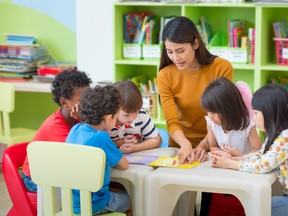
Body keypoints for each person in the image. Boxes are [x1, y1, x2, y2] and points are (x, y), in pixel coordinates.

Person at [157, 16, 233, 164]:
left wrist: (204, 144)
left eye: (180, 50)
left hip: (216, 145)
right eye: (170, 52)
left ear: (196, 44)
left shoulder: (222, 68)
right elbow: (172, 122)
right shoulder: (165, 75)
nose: (175, 57)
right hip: (180, 147)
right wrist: (184, 144)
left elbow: (221, 116)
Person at [209, 84, 288, 216]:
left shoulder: (285, 137)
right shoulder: (277, 136)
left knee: (257, 206)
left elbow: (264, 164)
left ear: (270, 112)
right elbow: (262, 156)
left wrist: (231, 164)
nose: (254, 117)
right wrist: (235, 158)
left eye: (256, 113)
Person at [21, 69, 92, 192]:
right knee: (84, 187)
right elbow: (81, 155)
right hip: (35, 178)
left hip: (56, 169)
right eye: (82, 101)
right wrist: (84, 122)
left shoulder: (78, 118)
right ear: (64, 102)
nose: (88, 104)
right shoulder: (56, 126)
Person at [66, 85, 132, 215]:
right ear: (108, 118)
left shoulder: (76, 129)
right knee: (134, 201)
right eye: (116, 116)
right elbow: (124, 165)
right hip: (95, 203)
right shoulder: (101, 137)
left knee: (116, 192)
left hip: (72, 201)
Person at [201, 77, 262, 156]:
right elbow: (212, 146)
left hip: (242, 165)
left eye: (214, 112)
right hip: (225, 165)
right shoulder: (211, 123)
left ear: (229, 108)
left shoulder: (247, 125)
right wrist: (223, 154)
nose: (210, 116)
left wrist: (238, 156)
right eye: (208, 111)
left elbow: (258, 149)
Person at [108, 80, 161, 154]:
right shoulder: (107, 121)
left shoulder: (142, 115)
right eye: (126, 115)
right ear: (114, 110)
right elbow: (100, 144)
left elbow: (156, 140)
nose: (132, 119)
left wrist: (135, 148)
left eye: (136, 112)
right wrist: (120, 142)